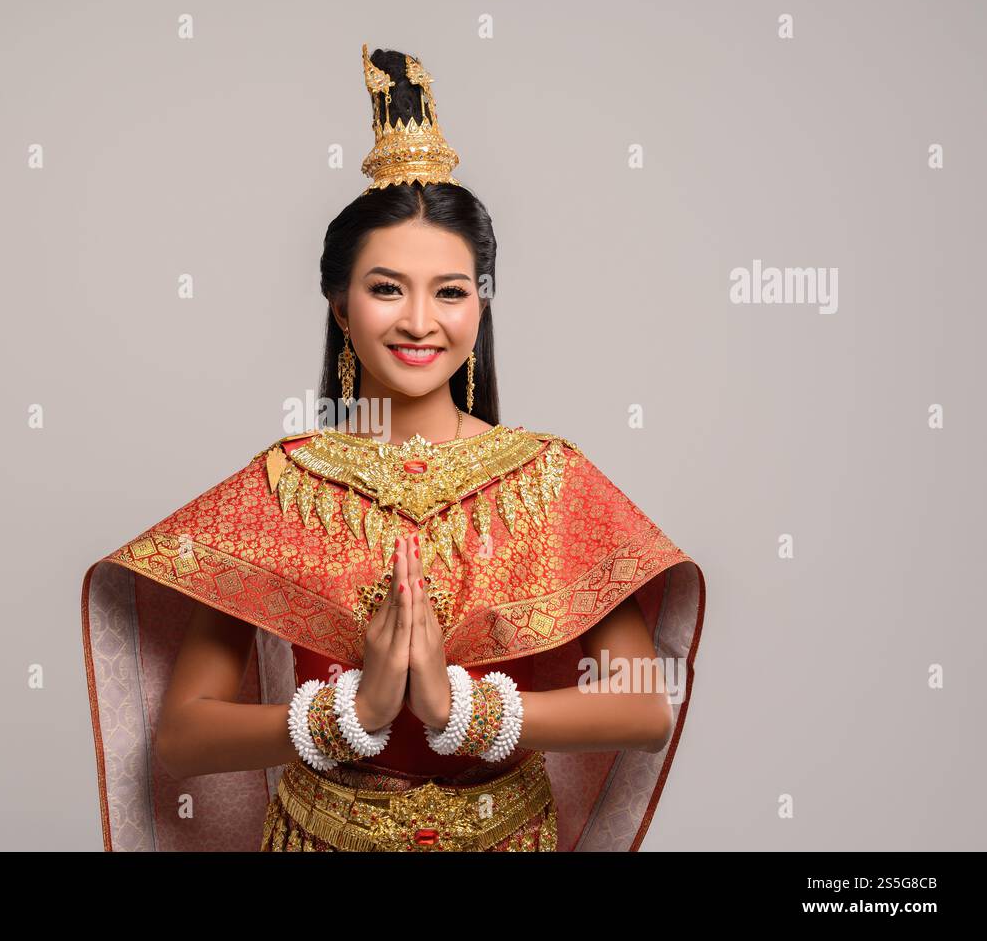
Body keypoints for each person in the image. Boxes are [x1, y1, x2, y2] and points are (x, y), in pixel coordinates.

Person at [79, 43, 706, 852]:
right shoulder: (283, 484)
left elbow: (642, 709)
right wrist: (352, 717)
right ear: (341, 309)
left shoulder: (550, 480)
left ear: (480, 309)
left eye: (449, 292)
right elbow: (184, 736)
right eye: (386, 289)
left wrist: (462, 710)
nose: (419, 321)